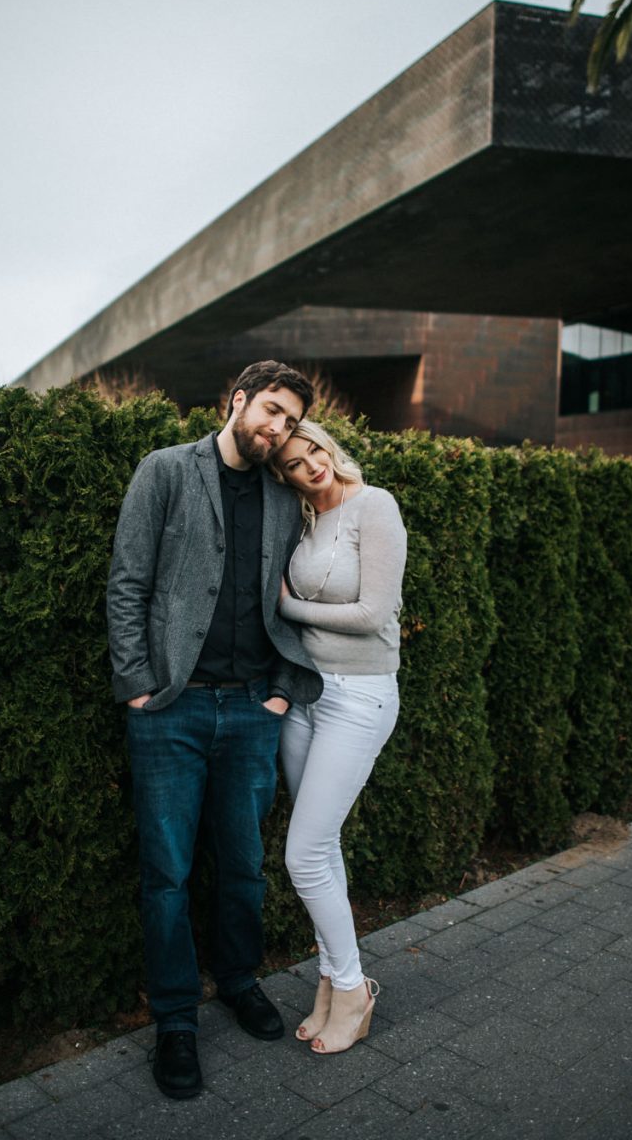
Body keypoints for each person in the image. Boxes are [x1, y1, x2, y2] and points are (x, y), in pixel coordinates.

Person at [107, 361, 323, 1100]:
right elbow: (128, 581)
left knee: (243, 864)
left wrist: (281, 692)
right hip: (172, 708)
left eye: (291, 420)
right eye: (272, 410)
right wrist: (138, 686)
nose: (278, 427)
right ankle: (174, 1021)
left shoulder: (283, 495)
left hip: (253, 709)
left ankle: (237, 980)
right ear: (237, 401)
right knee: (167, 874)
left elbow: (295, 597)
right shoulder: (165, 470)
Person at [270, 420, 407, 1054]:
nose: (312, 466)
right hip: (307, 695)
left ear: (328, 446)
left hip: (359, 696)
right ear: (284, 475)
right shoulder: (303, 521)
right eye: (295, 463)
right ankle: (331, 979)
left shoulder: (374, 506)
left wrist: (286, 606)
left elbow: (373, 614)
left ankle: (353, 988)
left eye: (314, 451)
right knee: (321, 848)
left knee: (302, 855)